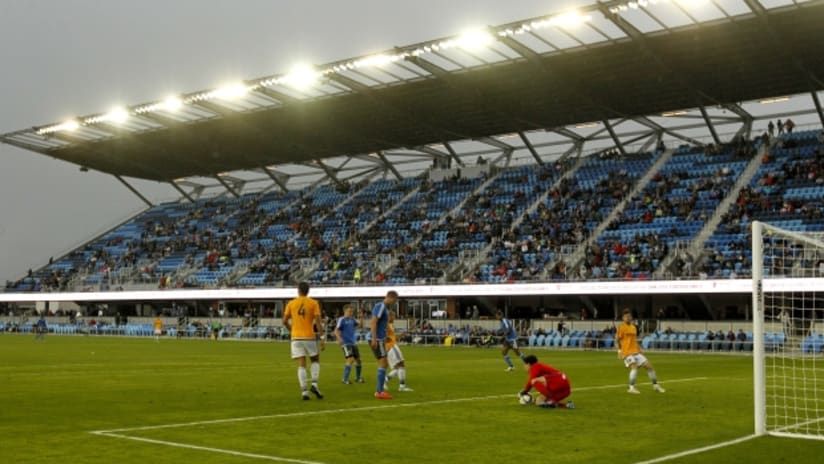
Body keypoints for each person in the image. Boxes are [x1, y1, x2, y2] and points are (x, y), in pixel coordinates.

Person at [283, 282, 325, 400]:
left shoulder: (291, 303)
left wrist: (292, 330)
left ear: (298, 290)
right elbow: (318, 321)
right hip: (309, 336)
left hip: (296, 337)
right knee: (315, 359)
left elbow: (284, 321)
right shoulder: (313, 303)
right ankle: (314, 384)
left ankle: (304, 392)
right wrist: (322, 338)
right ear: (308, 291)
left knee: (301, 364)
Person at [616, 308, 665, 394]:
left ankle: (656, 386)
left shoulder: (633, 327)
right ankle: (631, 388)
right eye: (626, 316)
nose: (628, 318)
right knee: (634, 368)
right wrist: (619, 352)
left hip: (635, 352)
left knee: (649, 367)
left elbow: (634, 340)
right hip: (627, 353)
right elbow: (617, 340)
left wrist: (640, 349)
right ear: (623, 318)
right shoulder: (621, 327)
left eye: (629, 316)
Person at [370, 290, 399, 399]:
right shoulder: (381, 306)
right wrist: (374, 339)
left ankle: (380, 390)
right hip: (377, 339)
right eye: (394, 301)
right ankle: (379, 391)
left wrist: (384, 336)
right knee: (383, 363)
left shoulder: (385, 308)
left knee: (384, 363)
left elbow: (381, 325)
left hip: (380, 338)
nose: (394, 303)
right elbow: (373, 322)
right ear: (391, 298)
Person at [334, 304, 364, 384]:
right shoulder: (342, 320)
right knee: (350, 360)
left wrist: (361, 317)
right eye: (349, 311)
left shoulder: (352, 319)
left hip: (353, 343)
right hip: (346, 343)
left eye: (352, 311)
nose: (351, 313)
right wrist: (339, 339)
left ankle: (358, 378)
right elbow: (336, 330)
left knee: (359, 360)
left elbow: (360, 326)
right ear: (345, 311)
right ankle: (345, 379)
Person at [384, 310, 413, 392]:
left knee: (398, 367)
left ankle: (385, 380)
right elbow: (385, 336)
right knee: (401, 365)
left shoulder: (389, 325)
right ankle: (402, 386)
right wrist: (386, 338)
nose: (394, 318)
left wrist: (402, 334)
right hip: (391, 346)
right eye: (393, 316)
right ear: (389, 316)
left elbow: (394, 337)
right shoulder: (386, 325)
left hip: (390, 346)